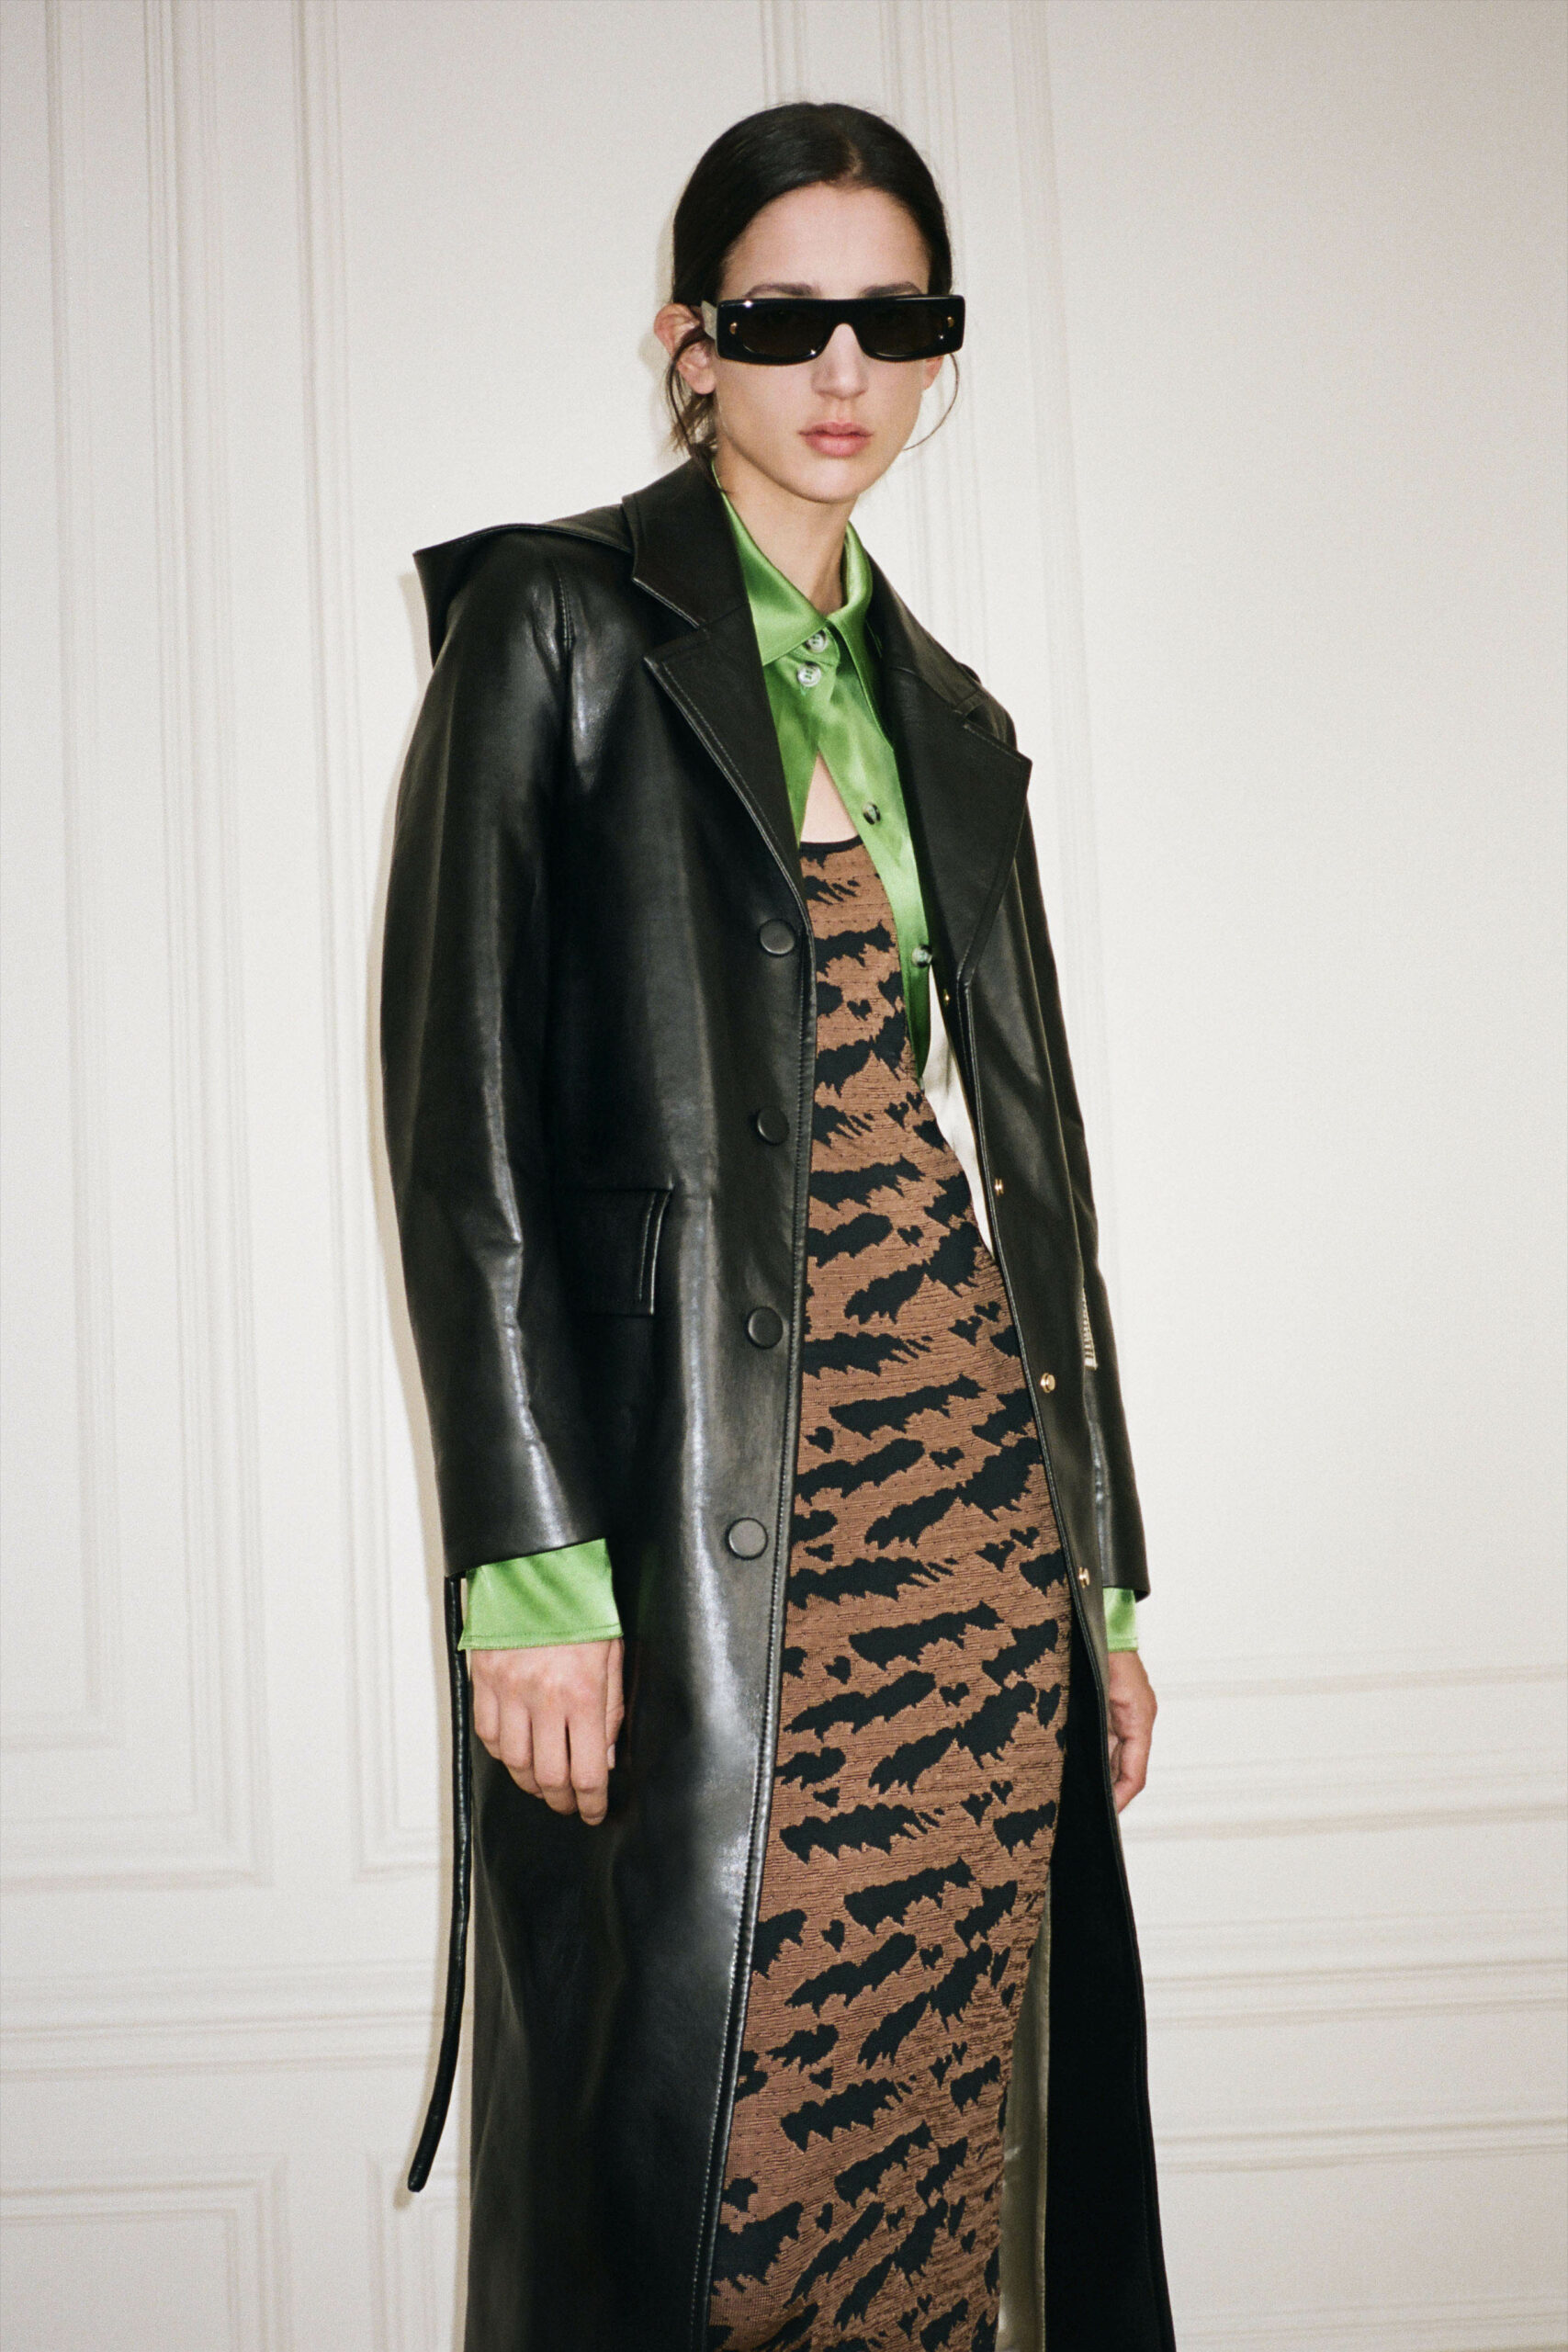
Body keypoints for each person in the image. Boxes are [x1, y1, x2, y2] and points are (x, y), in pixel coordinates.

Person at [381, 99, 1173, 2352]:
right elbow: (461, 1130)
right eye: (784, 314)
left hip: (965, 1529)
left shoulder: (955, 720)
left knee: (932, 2149)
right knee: (709, 2167)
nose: (841, 366)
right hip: (706, 1511)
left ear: (935, 352)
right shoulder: (554, 623)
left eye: (891, 320)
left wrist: (1098, 1576)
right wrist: (530, 1571)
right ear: (688, 342)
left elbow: (1035, 1179)